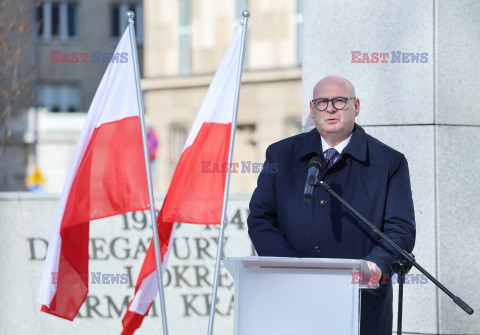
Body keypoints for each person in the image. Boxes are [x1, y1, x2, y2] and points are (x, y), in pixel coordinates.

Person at [247, 75, 416, 334]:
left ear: (356, 107)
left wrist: (374, 265)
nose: (330, 108)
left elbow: (400, 230)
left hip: (362, 301)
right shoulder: (280, 155)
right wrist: (291, 267)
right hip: (293, 296)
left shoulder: (389, 163)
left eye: (339, 101)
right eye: (322, 102)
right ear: (312, 110)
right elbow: (261, 219)